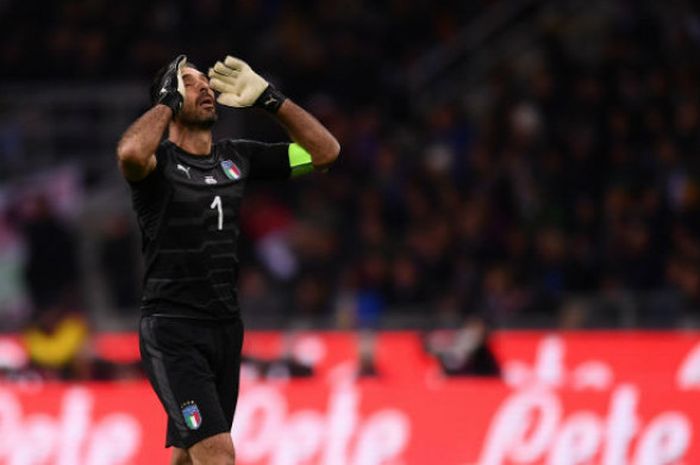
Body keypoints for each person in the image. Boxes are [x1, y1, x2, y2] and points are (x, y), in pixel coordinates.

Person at [116, 54, 339, 465]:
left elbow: (326, 152)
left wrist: (271, 100)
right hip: (172, 331)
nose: (205, 87)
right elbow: (130, 152)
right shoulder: (156, 165)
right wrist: (164, 104)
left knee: (189, 454)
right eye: (189, 81)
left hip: (225, 328)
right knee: (218, 454)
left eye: (206, 81)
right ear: (169, 96)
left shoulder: (238, 157)